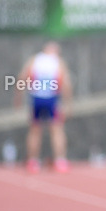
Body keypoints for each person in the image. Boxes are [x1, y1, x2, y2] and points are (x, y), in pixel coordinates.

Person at [15, 41, 72, 173]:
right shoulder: (58, 62)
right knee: (56, 130)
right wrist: (68, 103)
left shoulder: (34, 60)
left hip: (36, 98)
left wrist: (18, 98)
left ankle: (33, 161)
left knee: (35, 130)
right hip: (52, 99)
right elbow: (66, 83)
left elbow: (22, 77)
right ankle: (60, 160)